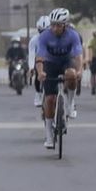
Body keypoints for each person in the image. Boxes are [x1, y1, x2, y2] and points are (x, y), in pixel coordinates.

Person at [36, 8, 83, 149]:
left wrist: (79, 70)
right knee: (50, 100)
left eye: (59, 25)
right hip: (50, 63)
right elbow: (40, 58)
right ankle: (49, 136)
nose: (55, 28)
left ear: (65, 25)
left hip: (66, 61)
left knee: (71, 74)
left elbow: (78, 56)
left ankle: (70, 103)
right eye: (53, 24)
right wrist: (40, 72)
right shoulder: (44, 36)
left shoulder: (73, 35)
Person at [28, 15, 50, 106]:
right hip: (39, 60)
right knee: (38, 73)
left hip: (50, 60)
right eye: (41, 31)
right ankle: (38, 94)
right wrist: (31, 67)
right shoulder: (34, 40)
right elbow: (32, 55)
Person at [86, 29, 96, 94]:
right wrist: (90, 59)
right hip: (93, 57)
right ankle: (93, 87)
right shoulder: (91, 41)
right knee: (93, 73)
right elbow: (90, 50)